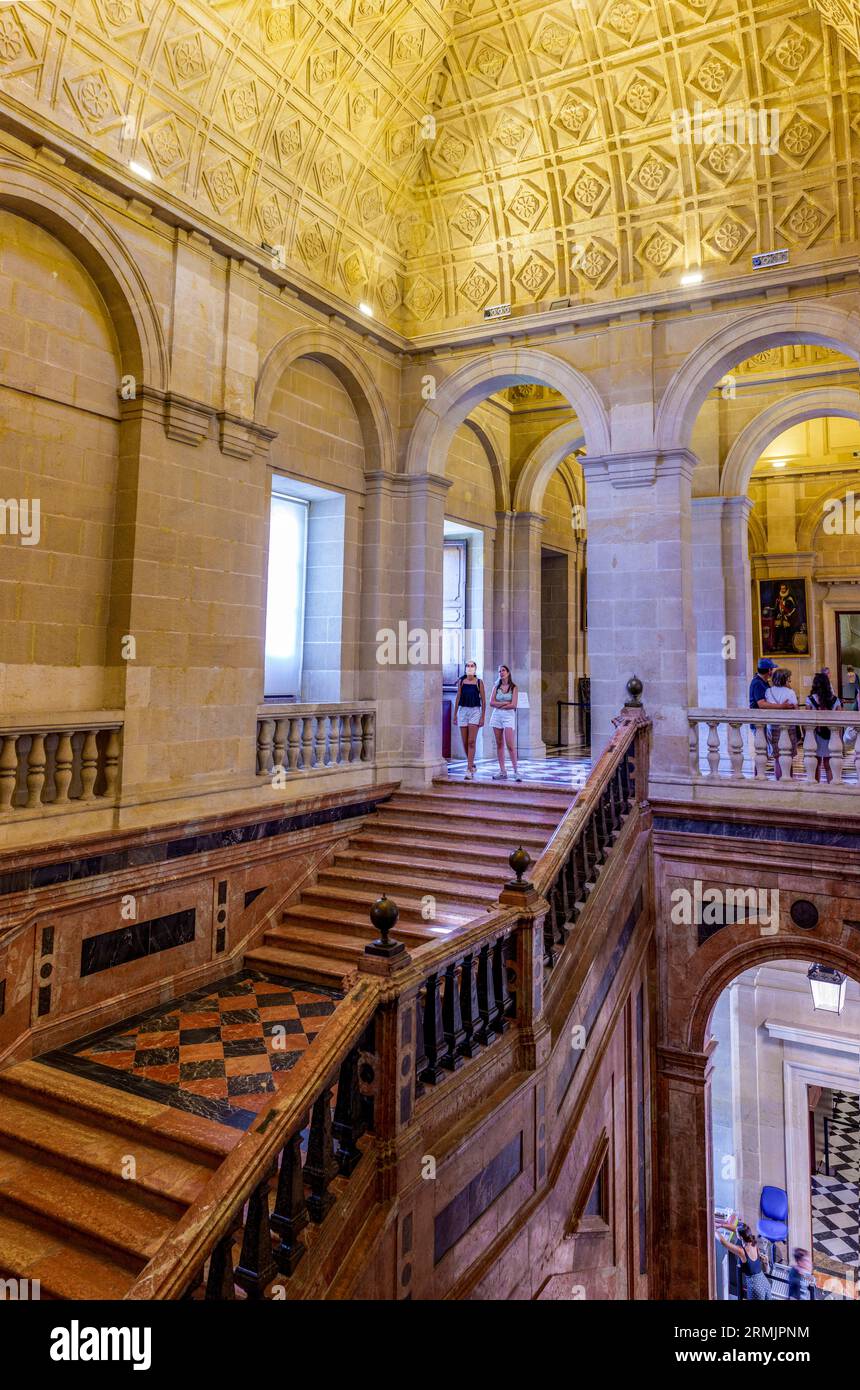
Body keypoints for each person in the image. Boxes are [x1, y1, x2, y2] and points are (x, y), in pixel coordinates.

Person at [716, 1222, 773, 1300]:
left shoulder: (742, 1251)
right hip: (764, 1282)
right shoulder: (753, 1242)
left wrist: (713, 1228)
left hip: (755, 1287)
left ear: (741, 1237)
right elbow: (737, 1230)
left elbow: (723, 1242)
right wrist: (721, 1225)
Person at [452, 661, 486, 780]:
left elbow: (484, 701)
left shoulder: (479, 682)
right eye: (468, 665)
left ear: (475, 668)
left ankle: (468, 769)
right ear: (465, 668)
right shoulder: (461, 682)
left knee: (471, 741)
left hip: (475, 711)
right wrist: (455, 714)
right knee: (465, 742)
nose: (470, 667)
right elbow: (458, 697)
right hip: (463, 712)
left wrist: (482, 716)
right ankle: (471, 763)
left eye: (472, 666)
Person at [805, 670, 840, 783]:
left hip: (815, 735)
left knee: (816, 763)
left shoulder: (809, 700)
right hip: (830, 735)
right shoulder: (835, 699)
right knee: (829, 764)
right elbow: (839, 718)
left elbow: (807, 721)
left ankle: (816, 786)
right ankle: (831, 786)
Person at [488, 664, 521, 782]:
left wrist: (500, 704)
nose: (501, 673)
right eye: (499, 671)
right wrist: (505, 703)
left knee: (510, 744)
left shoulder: (514, 687)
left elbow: (513, 704)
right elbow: (491, 703)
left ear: (508, 672)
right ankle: (502, 771)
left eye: (503, 670)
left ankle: (516, 771)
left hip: (509, 715)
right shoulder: (496, 687)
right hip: (496, 715)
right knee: (499, 743)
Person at [764, 667, 798, 779]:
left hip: (773, 727)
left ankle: (778, 780)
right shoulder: (790, 692)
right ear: (785, 679)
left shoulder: (768, 691)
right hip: (788, 727)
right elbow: (796, 709)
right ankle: (789, 778)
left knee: (777, 757)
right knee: (788, 756)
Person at [749, 658, 776, 767]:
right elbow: (762, 704)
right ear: (769, 670)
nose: (773, 671)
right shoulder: (757, 683)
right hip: (758, 722)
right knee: (761, 750)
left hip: (764, 721)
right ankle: (759, 774)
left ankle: (761, 772)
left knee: (765, 750)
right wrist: (781, 706)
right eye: (772, 669)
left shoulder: (763, 682)